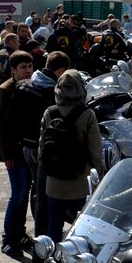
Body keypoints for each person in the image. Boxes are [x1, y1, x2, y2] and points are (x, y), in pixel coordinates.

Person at [39, 69, 102, 244]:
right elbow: (95, 151)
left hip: (54, 182)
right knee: (81, 228)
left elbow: (41, 148)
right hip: (80, 181)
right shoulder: (87, 114)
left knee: (54, 225)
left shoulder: (49, 113)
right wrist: (101, 177)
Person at [16, 51, 71, 236]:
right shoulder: (50, 92)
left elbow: (12, 118)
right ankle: (44, 239)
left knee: (38, 193)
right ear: (60, 70)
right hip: (43, 150)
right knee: (47, 197)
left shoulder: (26, 85)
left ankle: (42, 236)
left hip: (27, 146)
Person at [0, 50, 35, 256]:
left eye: (30, 66)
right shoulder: (4, 91)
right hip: (14, 153)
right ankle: (8, 239)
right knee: (17, 195)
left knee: (25, 194)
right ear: (13, 70)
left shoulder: (29, 87)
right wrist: (7, 154)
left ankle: (20, 233)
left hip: (27, 149)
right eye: (23, 68)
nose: (28, 71)